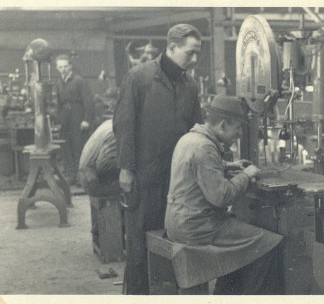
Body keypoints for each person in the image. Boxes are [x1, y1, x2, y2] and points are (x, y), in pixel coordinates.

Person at [113, 23, 203, 295]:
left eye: (198, 53)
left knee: (172, 238)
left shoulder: (190, 85)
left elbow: (197, 127)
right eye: (191, 52)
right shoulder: (138, 78)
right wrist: (126, 169)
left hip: (177, 180)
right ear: (172, 47)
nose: (195, 59)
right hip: (144, 176)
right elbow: (124, 125)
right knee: (140, 243)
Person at [165, 95, 283, 295]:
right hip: (198, 227)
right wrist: (246, 175)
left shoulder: (191, 138)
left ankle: (224, 294)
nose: (238, 135)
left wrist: (228, 166)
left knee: (243, 243)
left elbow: (199, 169)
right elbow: (222, 196)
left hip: (179, 221)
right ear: (223, 124)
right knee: (268, 243)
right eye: (237, 129)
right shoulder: (205, 148)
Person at [78, 119, 120, 246]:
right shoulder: (115, 132)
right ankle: (104, 232)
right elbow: (104, 166)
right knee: (134, 188)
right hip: (92, 181)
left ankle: (101, 228)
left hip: (87, 176)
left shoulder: (109, 122)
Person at [55, 54, 94, 185]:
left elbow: (88, 101)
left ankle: (81, 178)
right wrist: (59, 118)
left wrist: (86, 119)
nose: (63, 69)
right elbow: (59, 103)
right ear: (57, 68)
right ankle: (71, 176)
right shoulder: (59, 82)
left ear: (70, 66)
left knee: (79, 147)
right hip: (65, 119)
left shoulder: (79, 81)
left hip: (78, 116)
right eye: (60, 67)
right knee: (67, 147)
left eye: (65, 66)